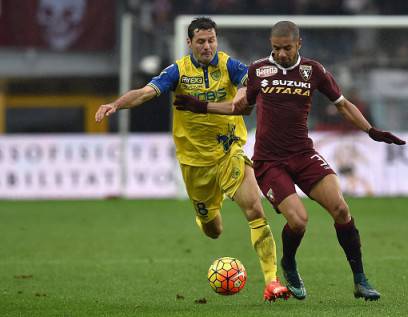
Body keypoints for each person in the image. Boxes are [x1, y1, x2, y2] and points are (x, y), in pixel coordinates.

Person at [173, 21, 406, 301]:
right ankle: (289, 264)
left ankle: (360, 279)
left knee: (341, 210)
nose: (281, 54)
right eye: (275, 48)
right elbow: (239, 107)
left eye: (286, 48)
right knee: (298, 221)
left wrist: (371, 130)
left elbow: (343, 105)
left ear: (299, 44)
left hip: (303, 155)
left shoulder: (313, 71)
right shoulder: (258, 70)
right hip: (270, 162)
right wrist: (201, 106)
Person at [94, 17, 289, 302]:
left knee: (255, 210)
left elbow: (249, 88)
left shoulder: (230, 66)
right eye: (201, 41)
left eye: (211, 40)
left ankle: (272, 281)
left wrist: (247, 93)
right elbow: (146, 93)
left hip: (229, 151)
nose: (207, 46)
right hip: (195, 163)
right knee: (214, 230)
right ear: (189, 43)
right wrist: (116, 104)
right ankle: (205, 215)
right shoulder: (178, 72)